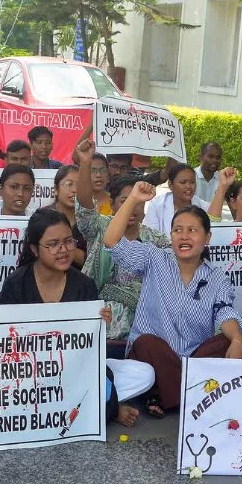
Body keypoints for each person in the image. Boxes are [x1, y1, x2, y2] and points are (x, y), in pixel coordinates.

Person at [105, 183, 242, 418]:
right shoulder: (154, 258)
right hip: (155, 355)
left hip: (192, 357)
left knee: (225, 341)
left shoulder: (216, 277)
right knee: (148, 343)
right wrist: (133, 198)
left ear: (207, 237)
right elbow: (111, 242)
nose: (184, 236)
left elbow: (225, 312)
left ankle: (167, 395)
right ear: (170, 235)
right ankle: (194, 398)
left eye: (192, 230)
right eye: (177, 230)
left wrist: (238, 339)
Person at [0, 209, 146, 427]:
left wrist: (98, 326)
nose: (63, 250)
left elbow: (89, 352)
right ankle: (105, 407)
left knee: (143, 374)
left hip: (72, 369)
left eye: (68, 241)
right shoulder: (16, 283)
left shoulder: (83, 284)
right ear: (34, 249)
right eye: (53, 244)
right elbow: (1, 341)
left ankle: (90, 402)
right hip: (27, 373)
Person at [72, 139, 171, 347]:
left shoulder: (158, 240)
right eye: (125, 201)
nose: (133, 208)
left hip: (144, 327)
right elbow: (84, 205)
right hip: (99, 323)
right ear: (113, 205)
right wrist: (85, 163)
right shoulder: (100, 227)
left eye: (137, 201)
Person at [142, 163, 225, 236]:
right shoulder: (157, 204)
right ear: (171, 185)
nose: (189, 186)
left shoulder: (204, 207)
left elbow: (213, 234)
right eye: (183, 182)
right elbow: (149, 238)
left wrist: (223, 185)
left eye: (192, 182)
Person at [46, 165, 88, 268]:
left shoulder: (89, 220)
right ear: (56, 189)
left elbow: (91, 261)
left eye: (80, 186)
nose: (74, 190)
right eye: (69, 184)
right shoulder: (43, 216)